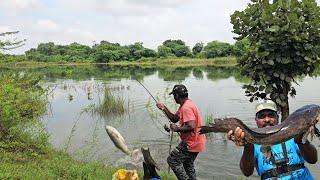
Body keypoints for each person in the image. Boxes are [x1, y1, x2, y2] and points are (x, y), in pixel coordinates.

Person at [227, 100, 318, 180]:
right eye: (262, 116)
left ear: (277, 118)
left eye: (271, 115)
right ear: (256, 120)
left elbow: (313, 160)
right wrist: (248, 146)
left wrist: (301, 142)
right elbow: (247, 172)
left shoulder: (293, 133)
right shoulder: (251, 143)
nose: (267, 119)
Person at [156, 84, 206, 180]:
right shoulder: (186, 104)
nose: (174, 98)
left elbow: (191, 126)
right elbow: (174, 118)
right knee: (188, 165)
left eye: (174, 95)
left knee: (172, 160)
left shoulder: (186, 108)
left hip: (191, 143)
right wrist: (164, 108)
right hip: (198, 142)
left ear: (177, 96)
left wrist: (177, 128)